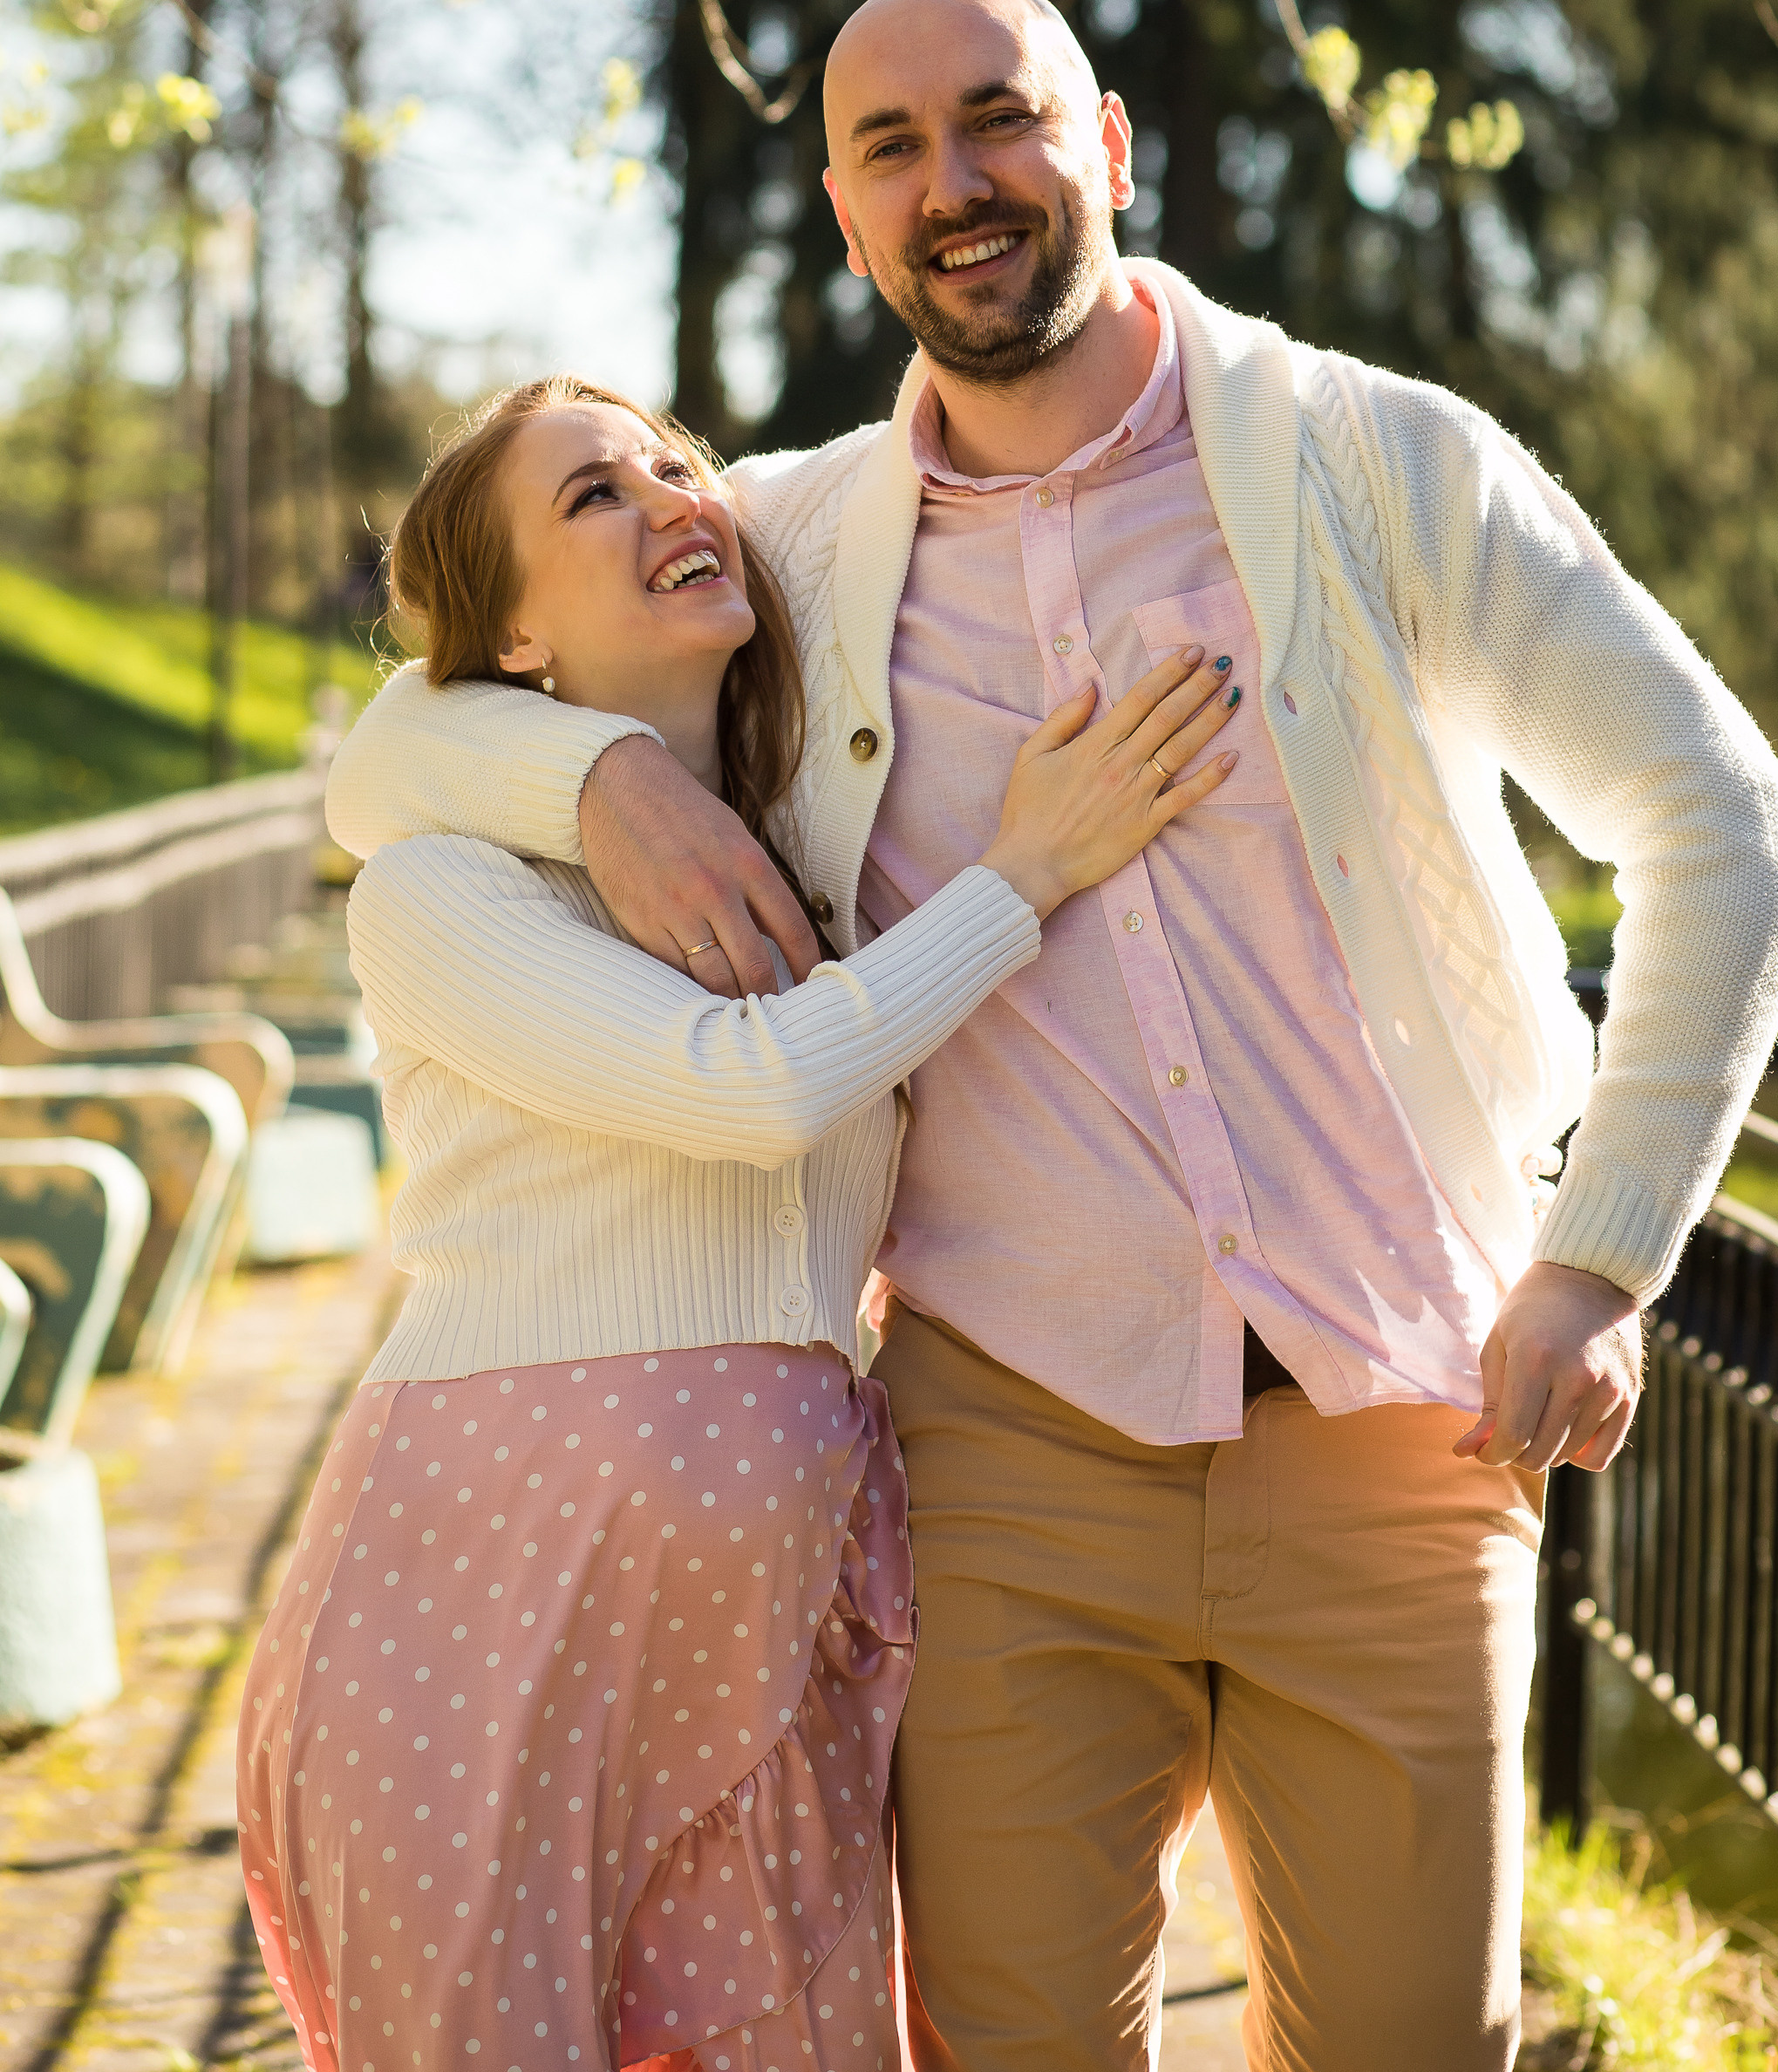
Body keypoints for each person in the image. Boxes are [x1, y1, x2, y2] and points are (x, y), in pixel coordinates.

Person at [325, 0, 1778, 2072]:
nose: (957, 185)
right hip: (1000, 1456)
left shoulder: (1378, 466)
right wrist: (599, 782)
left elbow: (1727, 828)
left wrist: (1603, 1251)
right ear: (851, 220)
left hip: (1393, 1419)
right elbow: (396, 739)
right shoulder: (791, 540)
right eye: (891, 151)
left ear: (1107, 145)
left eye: (999, 120)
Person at [235, 371, 1240, 2072]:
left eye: (672, 463)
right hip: (489, 1605)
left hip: (772, 1631)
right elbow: (752, 1084)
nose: (668, 498)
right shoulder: (439, 892)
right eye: (590, 499)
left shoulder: (816, 863)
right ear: (511, 651)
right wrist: (1032, 870)